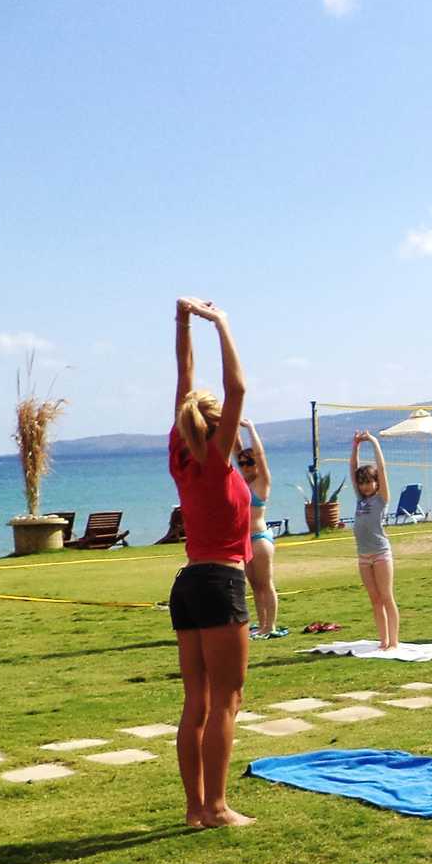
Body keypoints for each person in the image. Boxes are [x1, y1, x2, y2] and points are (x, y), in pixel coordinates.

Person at [169, 297, 253, 829]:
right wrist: (221, 322)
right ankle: (217, 807)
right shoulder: (217, 459)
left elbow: (185, 378)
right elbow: (237, 388)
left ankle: (195, 809)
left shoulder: (179, 455)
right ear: (219, 427)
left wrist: (182, 321)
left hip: (188, 583)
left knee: (196, 700)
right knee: (227, 699)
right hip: (221, 582)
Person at [350, 431, 400, 649]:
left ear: (377, 483)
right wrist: (356, 446)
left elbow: (382, 469)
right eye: (362, 483)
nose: (365, 486)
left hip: (380, 554)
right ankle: (383, 640)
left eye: (369, 482)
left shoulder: (382, 499)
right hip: (363, 556)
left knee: (387, 597)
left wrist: (374, 442)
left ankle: (394, 641)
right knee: (375, 600)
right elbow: (353, 470)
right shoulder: (361, 500)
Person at [237, 420, 284, 638]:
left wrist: (250, 429)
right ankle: (262, 623)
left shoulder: (261, 482)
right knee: (254, 586)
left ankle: (271, 626)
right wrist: (230, 424)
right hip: (244, 541)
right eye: (242, 463)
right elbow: (235, 449)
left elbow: (260, 454)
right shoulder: (242, 482)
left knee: (266, 583)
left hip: (260, 539)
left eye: (249, 462)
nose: (245, 466)